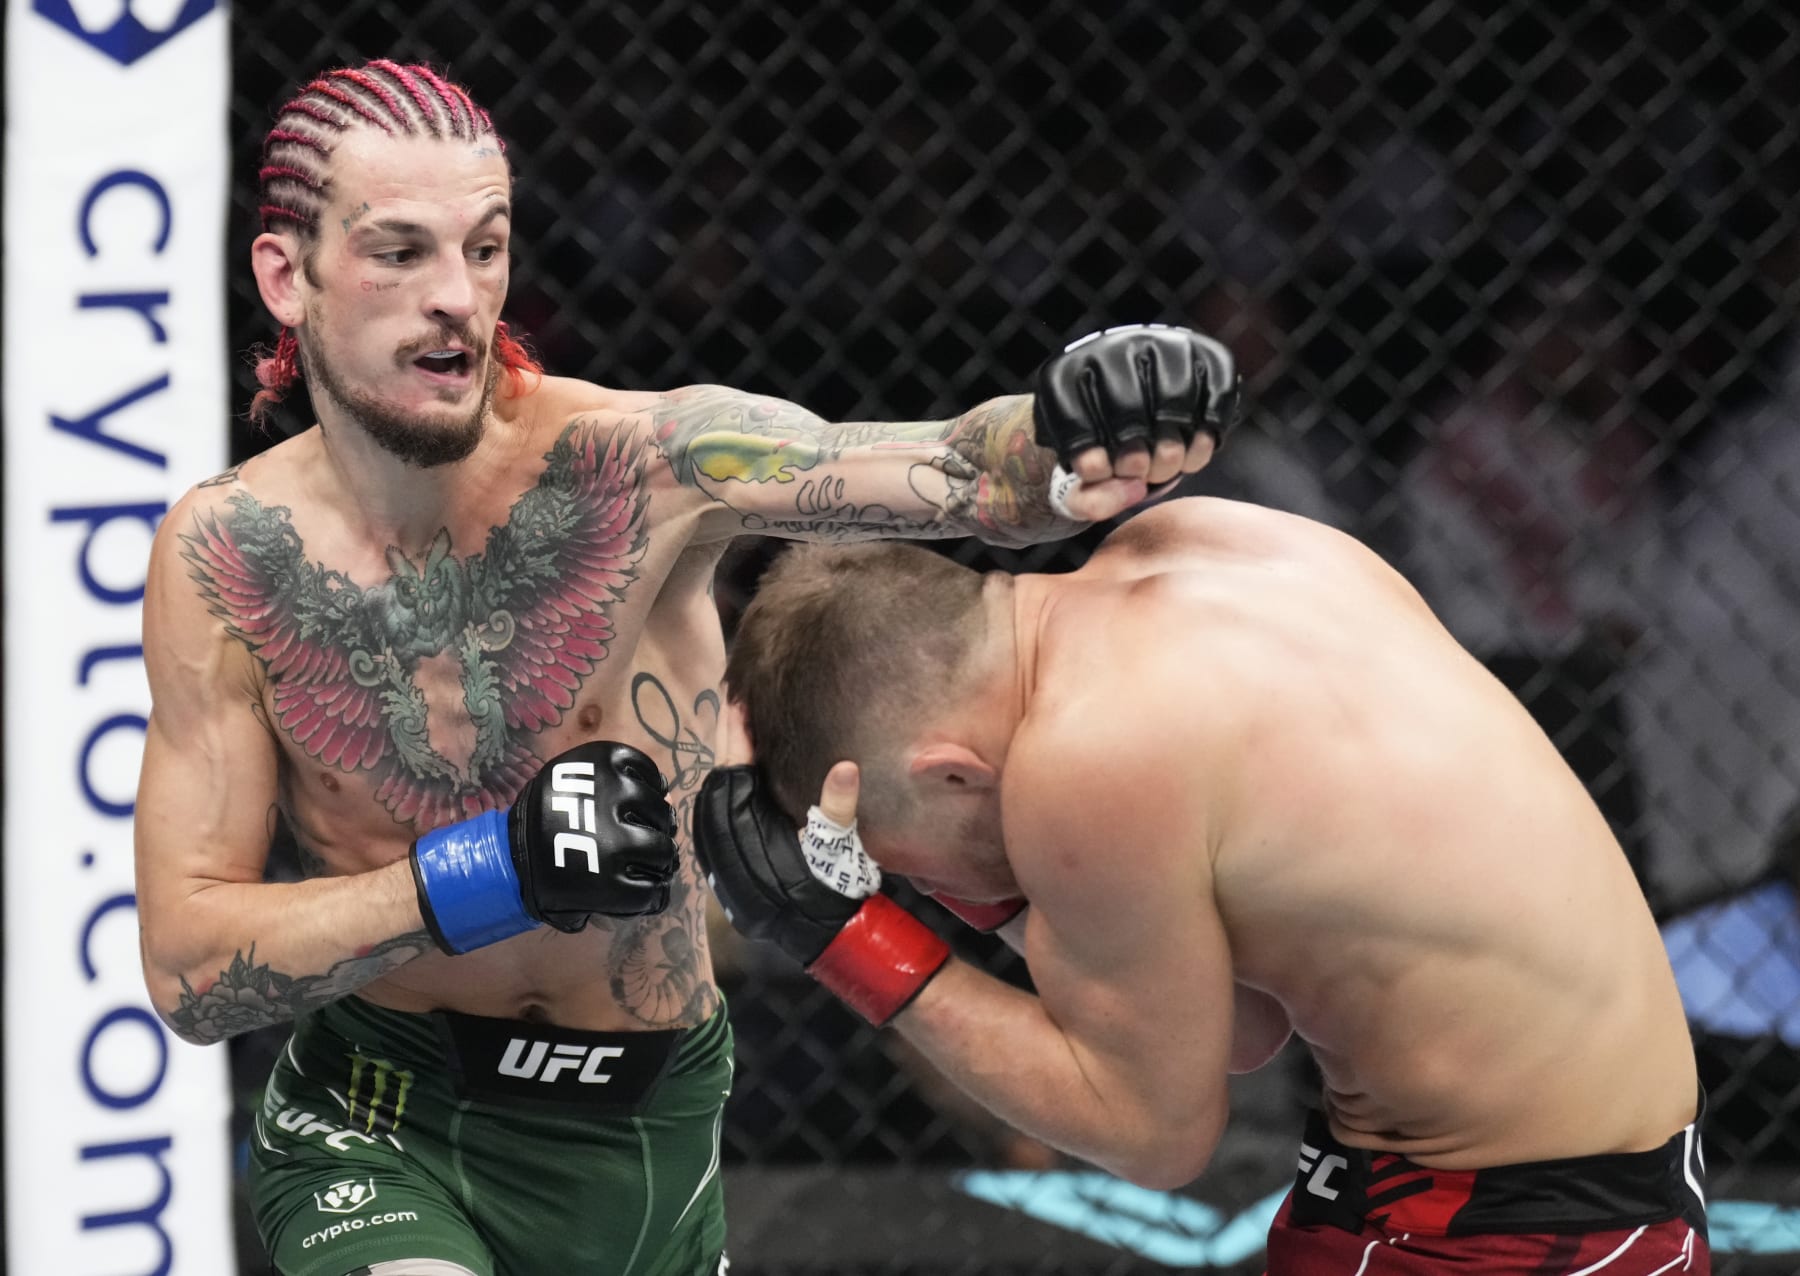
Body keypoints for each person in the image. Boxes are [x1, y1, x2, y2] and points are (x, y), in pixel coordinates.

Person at [132, 58, 1236, 1276]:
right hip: (381, 1117)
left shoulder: (637, 465)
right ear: (287, 275)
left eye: (485, 248)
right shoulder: (226, 556)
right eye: (399, 252)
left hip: (648, 1121)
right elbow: (190, 972)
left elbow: (956, 471)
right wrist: (484, 872)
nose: (459, 296)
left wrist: (1083, 427)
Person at [695, 497, 1711, 1272]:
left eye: (914, 866)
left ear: (952, 772)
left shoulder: (1088, 753)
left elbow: (1154, 1135)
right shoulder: (1199, 542)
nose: (939, 890)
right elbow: (1237, 1031)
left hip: (1518, 1221)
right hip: (1531, 1182)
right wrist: (981, 894)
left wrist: (848, 936)